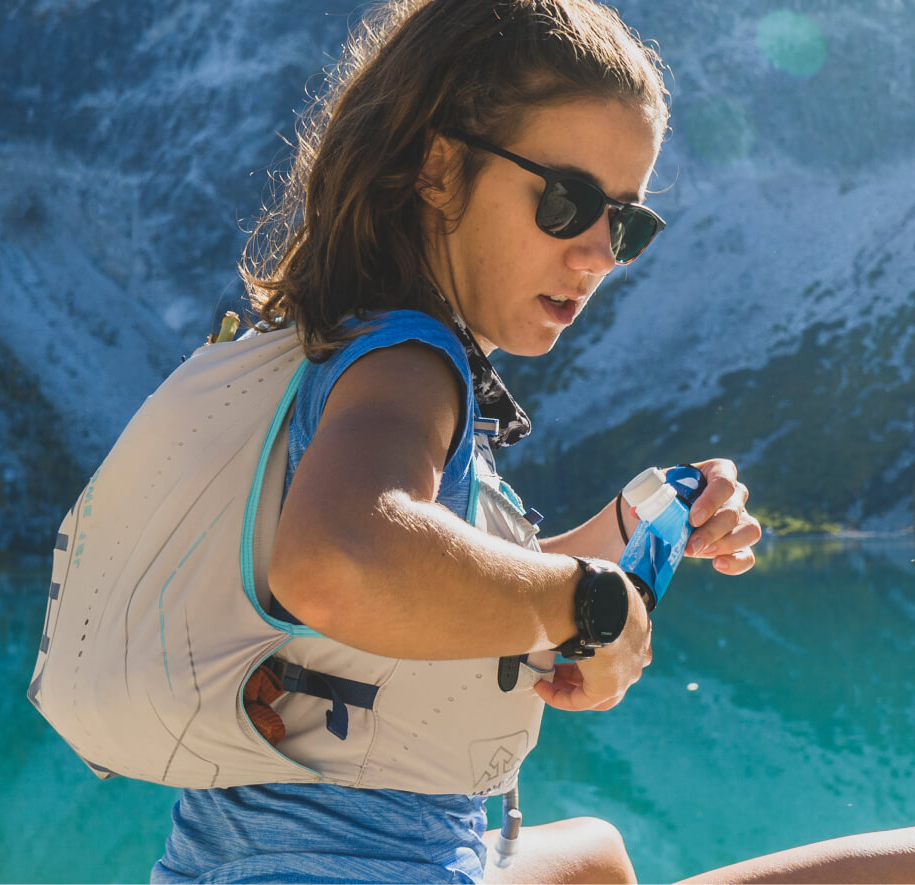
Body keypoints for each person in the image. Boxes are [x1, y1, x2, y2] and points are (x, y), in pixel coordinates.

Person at [149, 1, 912, 883]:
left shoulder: (336, 344)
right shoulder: (410, 363)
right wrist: (586, 602)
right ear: (439, 168)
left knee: (595, 853)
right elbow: (336, 559)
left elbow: (416, 597)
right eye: (568, 201)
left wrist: (624, 526)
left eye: (624, 224)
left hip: (225, 862)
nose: (598, 255)